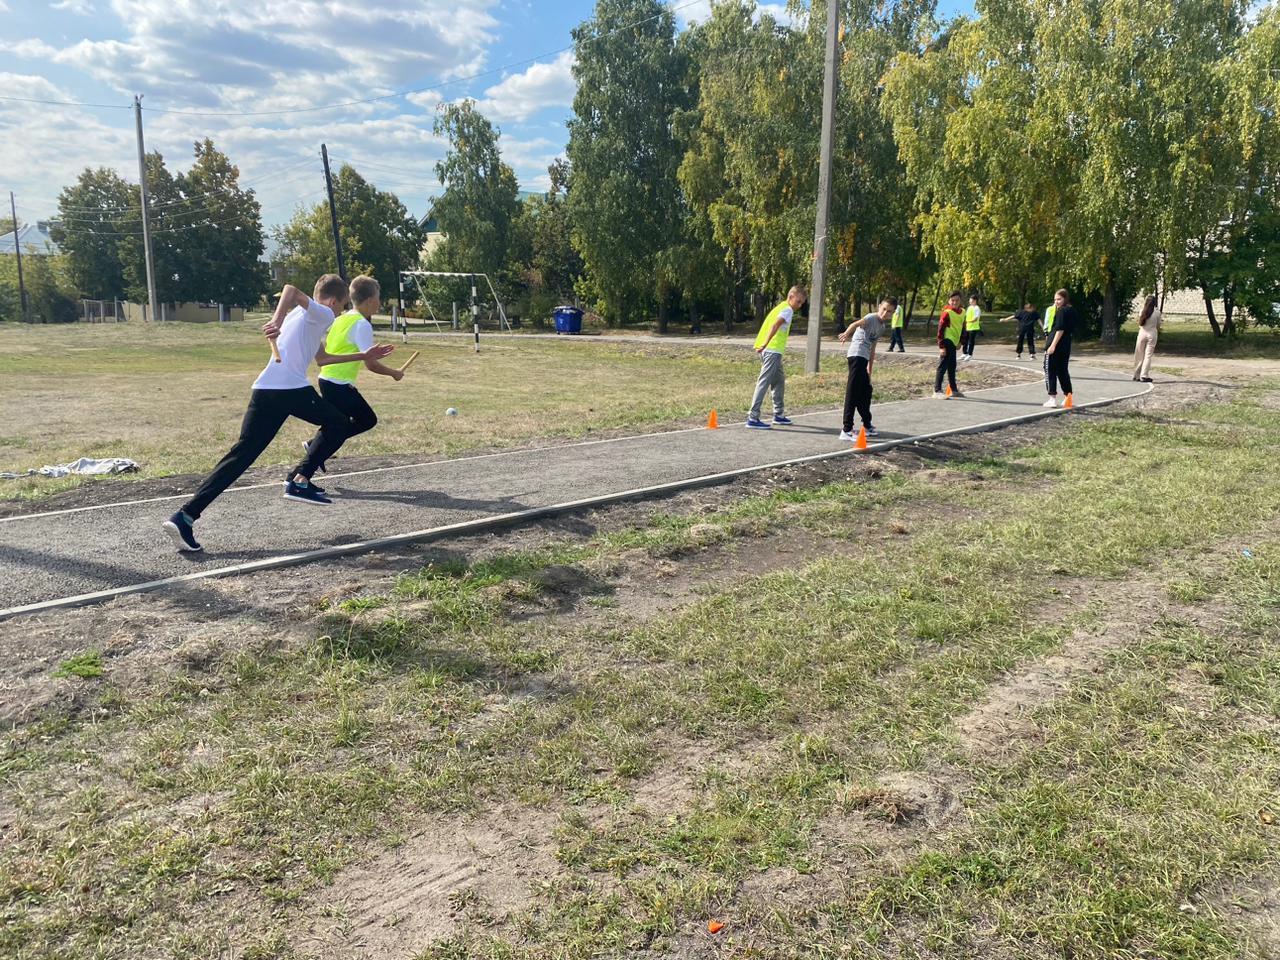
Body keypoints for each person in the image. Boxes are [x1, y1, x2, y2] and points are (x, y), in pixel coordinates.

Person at [163, 275, 395, 553]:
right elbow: (291, 289)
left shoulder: (302, 316)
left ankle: (184, 517)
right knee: (339, 423)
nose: (338, 313)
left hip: (265, 389)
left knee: (242, 455)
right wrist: (275, 321)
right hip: (290, 389)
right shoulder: (321, 313)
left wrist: (362, 355)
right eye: (340, 306)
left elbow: (322, 359)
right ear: (332, 300)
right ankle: (299, 481)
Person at [302, 275, 405, 473]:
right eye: (378, 297)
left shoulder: (342, 318)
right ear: (369, 300)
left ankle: (315, 446)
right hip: (338, 384)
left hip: (327, 379)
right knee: (365, 420)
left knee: (338, 425)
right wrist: (394, 373)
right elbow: (371, 364)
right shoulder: (362, 324)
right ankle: (313, 453)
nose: (380, 302)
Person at [747, 286, 807, 429]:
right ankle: (753, 417)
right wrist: (765, 344)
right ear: (791, 296)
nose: (799, 306)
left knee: (779, 381)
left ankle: (778, 415)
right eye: (798, 302)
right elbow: (774, 326)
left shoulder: (780, 307)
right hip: (772, 351)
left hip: (773, 351)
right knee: (764, 382)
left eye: (802, 303)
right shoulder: (787, 310)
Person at [838, 297, 893, 440]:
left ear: (892, 314)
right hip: (856, 355)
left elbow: (873, 349)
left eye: (889, 312)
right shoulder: (871, 318)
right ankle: (846, 430)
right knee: (853, 392)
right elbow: (855, 324)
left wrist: (870, 369)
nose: (885, 313)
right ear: (879, 306)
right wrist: (846, 333)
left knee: (866, 391)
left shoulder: (882, 327)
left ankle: (866, 425)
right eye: (884, 309)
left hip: (864, 359)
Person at [1043, 288, 1077, 408]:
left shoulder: (1062, 311)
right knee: (1063, 371)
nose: (1056, 302)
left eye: (1059, 299)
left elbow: (1060, 329)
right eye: (1055, 299)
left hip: (1056, 343)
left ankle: (1052, 398)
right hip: (1066, 344)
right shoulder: (1072, 310)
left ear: (1065, 298)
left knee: (1049, 370)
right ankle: (1068, 397)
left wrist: (1052, 345)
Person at [932, 291, 966, 399]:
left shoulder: (963, 312)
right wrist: (941, 346)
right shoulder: (947, 312)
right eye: (952, 300)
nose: (955, 302)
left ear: (960, 301)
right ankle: (937, 390)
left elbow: (963, 328)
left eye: (957, 300)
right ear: (949, 301)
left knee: (952, 366)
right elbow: (940, 330)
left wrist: (961, 341)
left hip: (955, 342)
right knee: (942, 366)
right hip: (947, 341)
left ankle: (953, 390)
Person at [1133, 294, 1161, 383]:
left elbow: (1139, 323)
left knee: (1139, 354)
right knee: (1148, 355)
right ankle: (1144, 375)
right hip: (1152, 333)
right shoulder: (1157, 312)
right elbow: (1158, 325)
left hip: (1142, 333)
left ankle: (1136, 375)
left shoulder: (1142, 311)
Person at [962, 293, 982, 360]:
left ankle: (970, 354)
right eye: (969, 300)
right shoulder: (969, 307)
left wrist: (969, 322)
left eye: (971, 300)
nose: (970, 302)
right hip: (968, 327)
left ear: (975, 300)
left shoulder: (977, 308)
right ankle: (964, 353)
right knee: (965, 341)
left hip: (974, 328)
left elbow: (975, 319)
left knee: (971, 342)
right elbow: (966, 316)